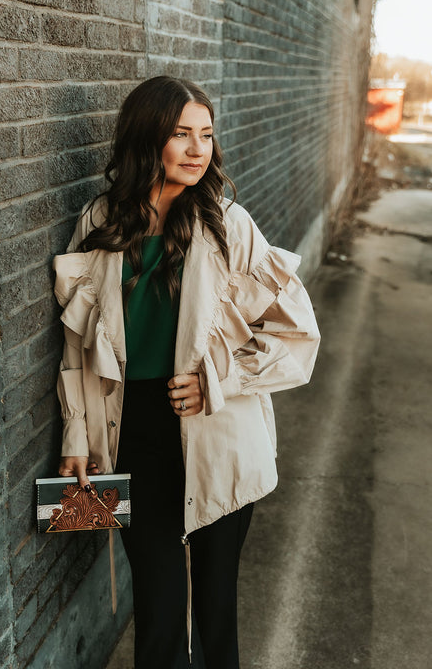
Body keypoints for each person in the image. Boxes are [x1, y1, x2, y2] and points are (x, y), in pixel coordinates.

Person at [53, 76, 320, 669]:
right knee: (158, 610)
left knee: (215, 614)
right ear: (148, 139)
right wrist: (76, 438)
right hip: (131, 439)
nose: (199, 149)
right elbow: (76, 346)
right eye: (181, 135)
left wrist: (215, 381)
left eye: (206, 134)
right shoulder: (100, 222)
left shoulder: (230, 226)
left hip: (218, 432)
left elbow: (298, 336)